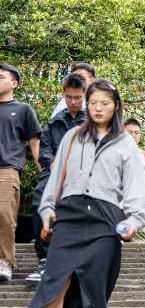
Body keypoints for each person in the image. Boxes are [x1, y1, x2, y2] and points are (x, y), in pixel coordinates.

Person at [30, 79, 145, 307]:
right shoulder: (72, 136)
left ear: (116, 105)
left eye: (104, 103)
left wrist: (134, 220)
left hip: (104, 219)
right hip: (68, 216)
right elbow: (56, 180)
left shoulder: (126, 144)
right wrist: (46, 211)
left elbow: (135, 187)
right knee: (53, 285)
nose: (98, 108)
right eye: (92, 102)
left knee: (91, 291)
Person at [27, 73, 87, 283]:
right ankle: (44, 259)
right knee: (40, 199)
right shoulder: (54, 122)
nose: (73, 101)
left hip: (83, 174)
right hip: (54, 173)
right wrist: (51, 161)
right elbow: (44, 150)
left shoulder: (92, 121)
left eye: (77, 97)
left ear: (85, 95)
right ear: (63, 95)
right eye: (69, 97)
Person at [0, 64, 41, 281]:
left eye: (1, 77)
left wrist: (42, 170)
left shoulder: (23, 109)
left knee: (4, 214)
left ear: (13, 83)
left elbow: (35, 141)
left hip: (7, 169)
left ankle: (5, 261)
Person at [124, 118, 145, 243]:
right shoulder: (113, 152)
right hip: (118, 203)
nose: (133, 135)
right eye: (129, 132)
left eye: (136, 133)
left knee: (140, 242)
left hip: (139, 203)